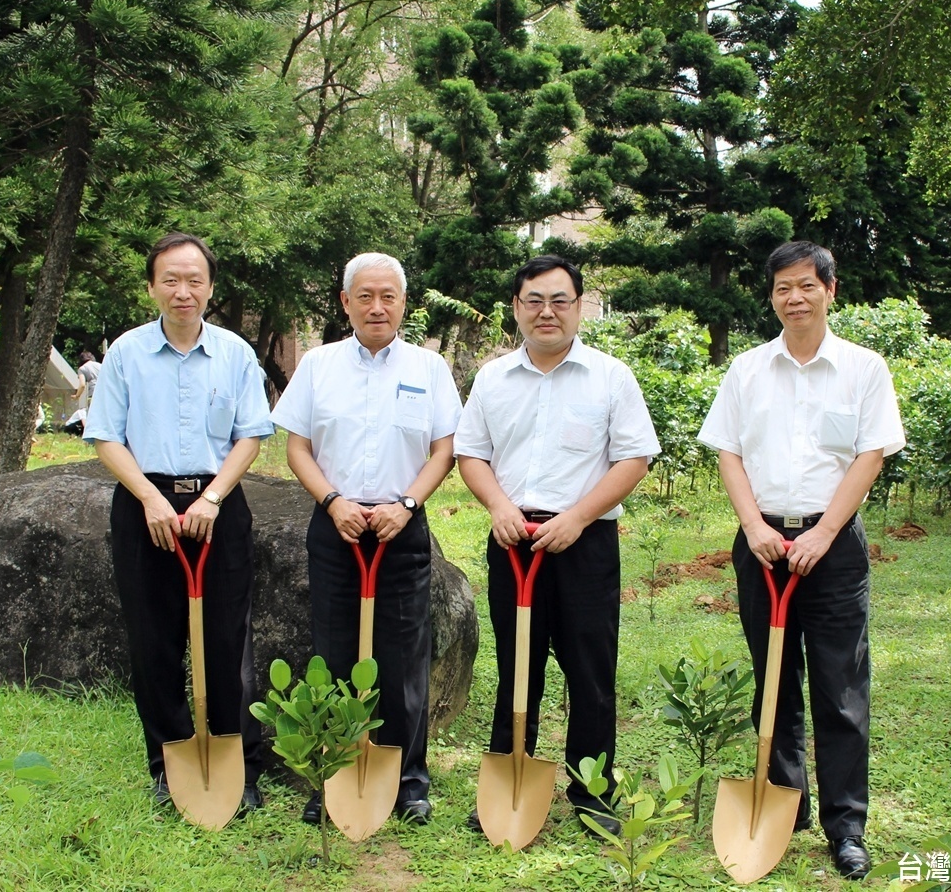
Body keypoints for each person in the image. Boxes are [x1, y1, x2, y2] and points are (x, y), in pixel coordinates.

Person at [697, 241, 905, 880]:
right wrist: (753, 525)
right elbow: (728, 452)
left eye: (806, 286)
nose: (794, 297)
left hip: (832, 546)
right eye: (782, 287)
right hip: (762, 544)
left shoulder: (863, 369)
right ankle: (787, 805)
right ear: (772, 297)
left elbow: (870, 455)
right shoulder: (748, 370)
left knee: (840, 686)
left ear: (830, 290)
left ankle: (847, 826)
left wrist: (824, 533)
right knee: (774, 681)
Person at [454, 254, 660, 836]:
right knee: (518, 668)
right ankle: (509, 779)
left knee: (590, 673)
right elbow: (472, 453)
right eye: (535, 301)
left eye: (560, 301)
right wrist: (498, 506)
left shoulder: (610, 376)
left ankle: (592, 792)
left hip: (585, 543)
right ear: (517, 308)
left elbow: (634, 456)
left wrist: (577, 517)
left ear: (578, 308)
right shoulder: (493, 378)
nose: (547, 312)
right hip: (513, 539)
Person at [84, 232, 274, 813]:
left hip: (218, 503)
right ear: (152, 287)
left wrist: (213, 498)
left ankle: (236, 766)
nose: (183, 291)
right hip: (147, 504)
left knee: (226, 640)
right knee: (154, 639)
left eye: (194, 280)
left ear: (210, 288)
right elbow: (105, 437)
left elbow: (251, 436)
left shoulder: (236, 354)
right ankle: (168, 766)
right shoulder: (126, 355)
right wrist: (149, 497)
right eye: (171, 280)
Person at [271, 252, 462, 826]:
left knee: (404, 658)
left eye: (389, 297)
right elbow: (297, 448)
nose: (377, 307)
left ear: (404, 303)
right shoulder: (318, 364)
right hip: (336, 528)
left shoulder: (429, 369)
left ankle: (407, 782)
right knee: (332, 654)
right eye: (365, 296)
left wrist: (406, 505)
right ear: (346, 302)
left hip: (401, 529)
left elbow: (444, 450)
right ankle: (330, 774)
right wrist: (333, 502)